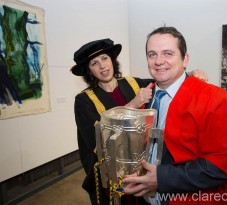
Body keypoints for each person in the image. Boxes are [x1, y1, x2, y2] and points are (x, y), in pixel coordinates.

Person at [71, 38, 208, 205]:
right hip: (111, 172)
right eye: (94, 63)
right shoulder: (84, 100)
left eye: (105, 58)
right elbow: (98, 138)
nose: (102, 66)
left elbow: (166, 80)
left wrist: (191, 74)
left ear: (112, 60)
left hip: (141, 166)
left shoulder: (134, 83)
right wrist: (133, 105)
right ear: (89, 70)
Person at [123, 26, 227, 205]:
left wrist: (162, 178)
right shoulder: (145, 96)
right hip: (144, 197)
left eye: (168, 53)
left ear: (185, 59)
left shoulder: (215, 99)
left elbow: (222, 166)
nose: (158, 61)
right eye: (152, 54)